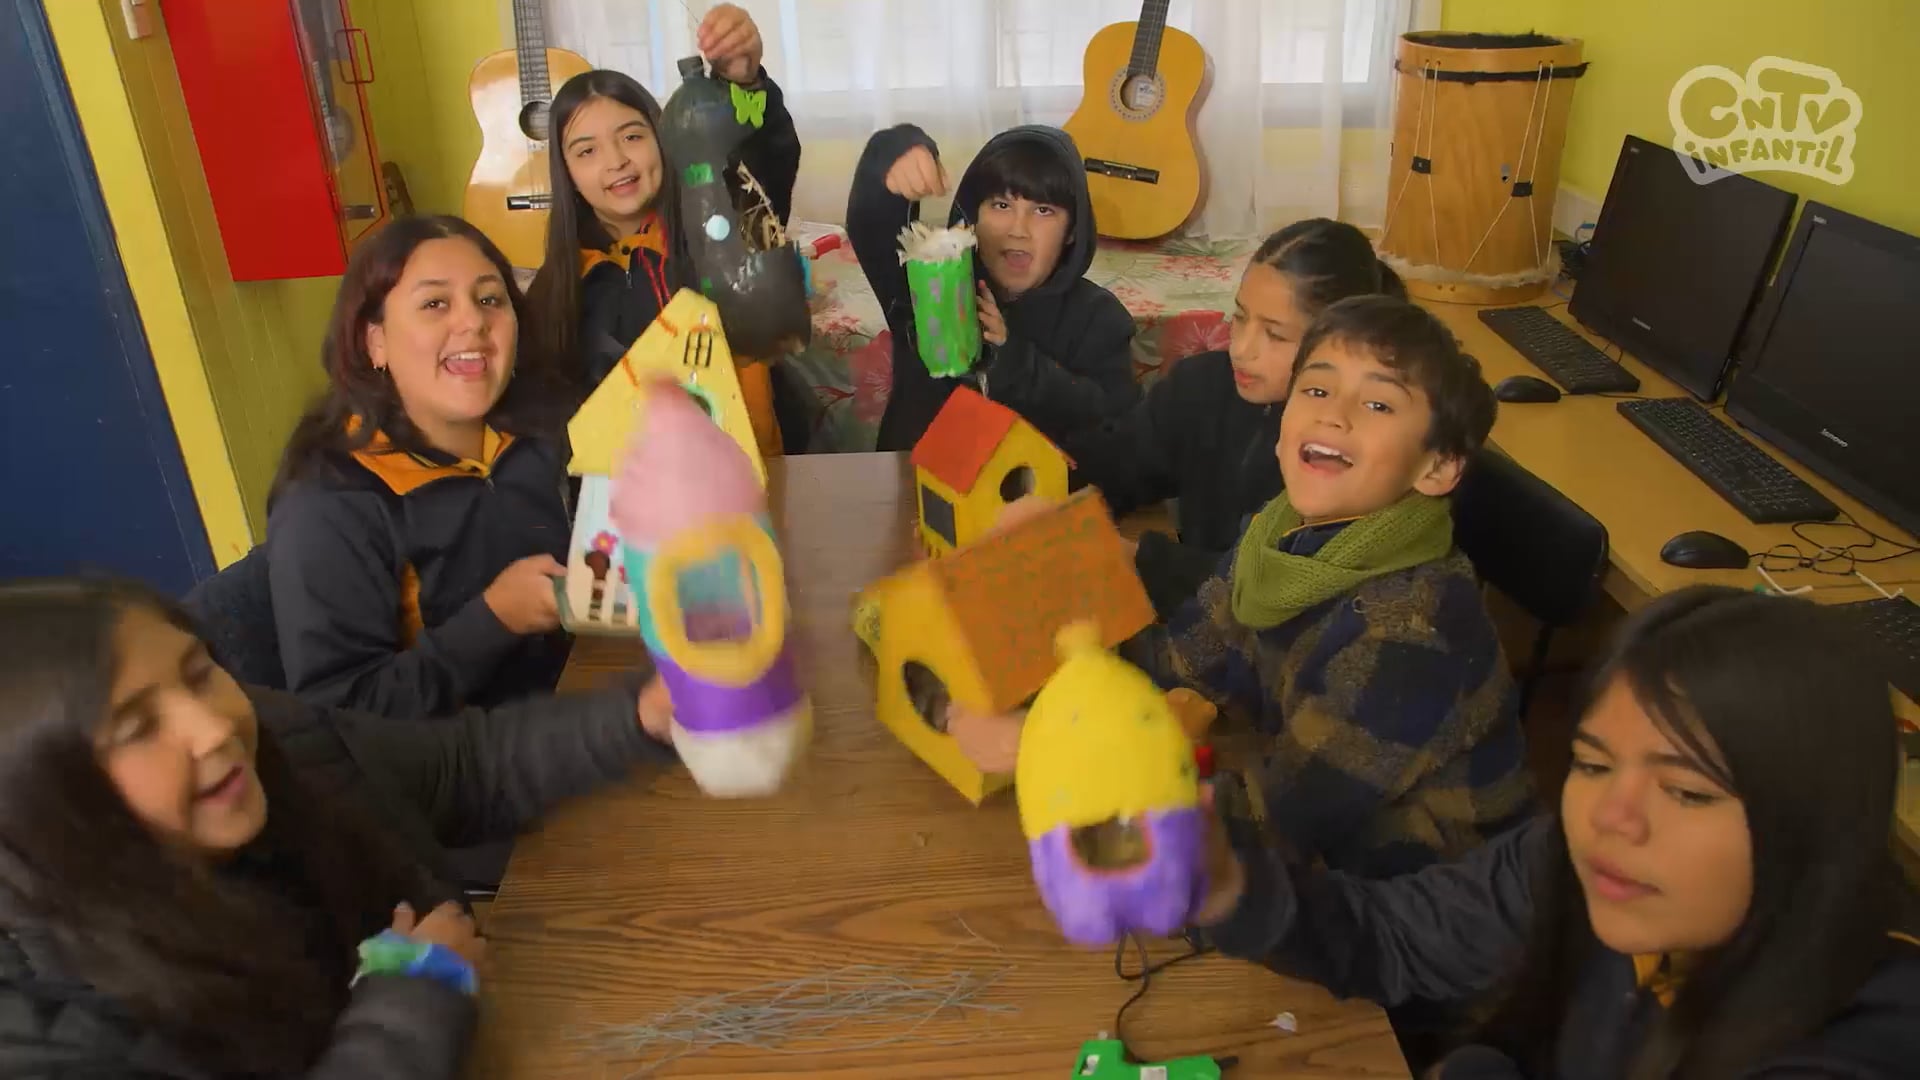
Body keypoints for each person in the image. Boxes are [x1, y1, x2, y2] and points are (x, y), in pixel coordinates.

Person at [1193, 585, 1920, 1079]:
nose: (1609, 817)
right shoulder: (1575, 863)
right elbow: (1393, 937)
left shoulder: (1858, 1044)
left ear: (1810, 823)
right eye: (1593, 764)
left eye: (1686, 791)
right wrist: (1224, 881)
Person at [0, 577, 677, 1077]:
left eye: (199, 673)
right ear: (40, 799)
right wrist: (411, 1006)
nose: (213, 728)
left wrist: (640, 716)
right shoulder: (53, 1035)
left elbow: (462, 767)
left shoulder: (282, 738)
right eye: (137, 727)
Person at [955, 294, 1531, 880]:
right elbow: (1182, 660)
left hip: (1410, 903)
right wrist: (1048, 647)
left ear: (1437, 467)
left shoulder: (1410, 634)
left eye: (1378, 403)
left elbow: (1266, 821)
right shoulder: (1280, 533)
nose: (1334, 414)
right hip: (1310, 846)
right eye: (1317, 389)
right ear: (1284, 424)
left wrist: (1042, 748)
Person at [267, 215, 573, 720]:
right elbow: (344, 717)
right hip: (465, 760)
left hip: (590, 707)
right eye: (435, 304)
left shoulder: (545, 432)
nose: (473, 322)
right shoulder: (328, 504)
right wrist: (496, 619)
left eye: (490, 299)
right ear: (375, 342)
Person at [1060, 218, 1408, 619]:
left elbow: (1286, 588)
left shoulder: (1345, 446)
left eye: (1275, 335)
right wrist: (1048, 489)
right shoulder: (1201, 386)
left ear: (1343, 344)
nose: (1241, 349)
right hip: (1188, 618)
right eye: (1240, 317)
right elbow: (1118, 462)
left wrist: (1140, 561)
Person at [523, 5, 807, 455]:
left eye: (632, 136)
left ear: (665, 139)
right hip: (636, 485)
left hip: (756, 466)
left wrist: (747, 84)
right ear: (568, 174)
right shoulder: (561, 287)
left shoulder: (718, 220)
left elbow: (765, 157)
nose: (616, 160)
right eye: (587, 151)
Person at [847, 122, 1140, 451]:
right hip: (917, 478)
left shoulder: (1098, 317)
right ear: (972, 217)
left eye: (1043, 210)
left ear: (1072, 230)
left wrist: (1013, 362)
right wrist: (894, 150)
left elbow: (1116, 424)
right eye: (1001, 205)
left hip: (1045, 483)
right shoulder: (930, 284)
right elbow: (872, 224)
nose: (1018, 229)